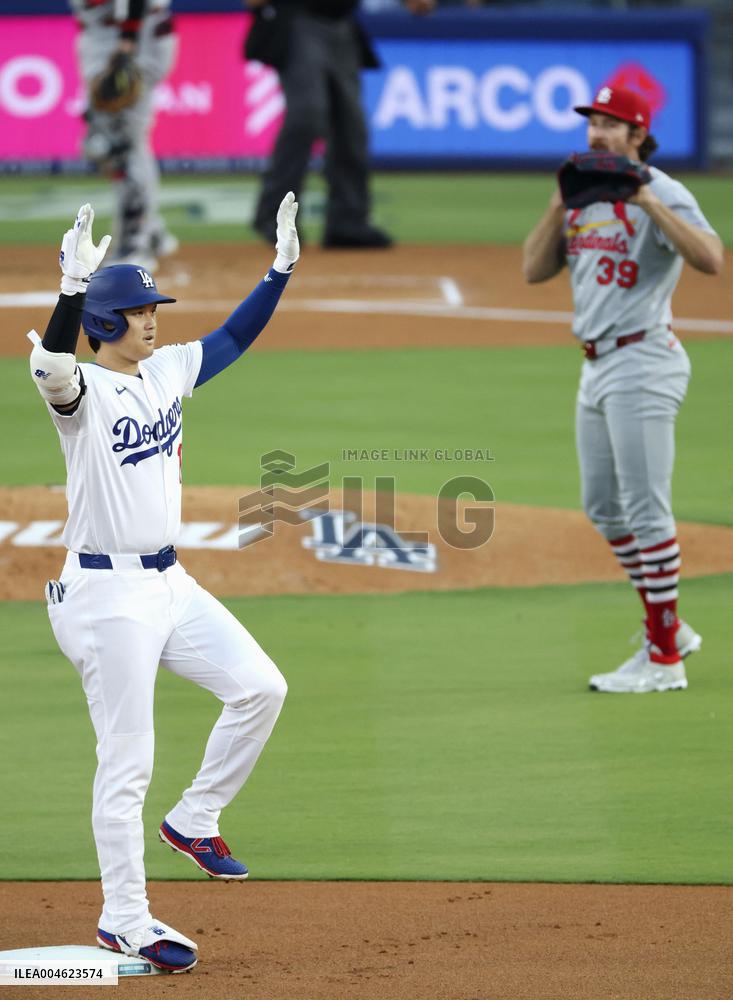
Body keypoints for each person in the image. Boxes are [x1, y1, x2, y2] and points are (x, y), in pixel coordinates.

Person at [28, 195, 299, 972]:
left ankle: (194, 818)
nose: (151, 320)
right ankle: (124, 918)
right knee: (127, 762)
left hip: (169, 584)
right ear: (104, 322)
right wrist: (70, 290)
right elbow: (49, 365)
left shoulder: (167, 370)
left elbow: (232, 338)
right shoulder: (80, 393)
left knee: (261, 689)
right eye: (138, 311)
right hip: (105, 599)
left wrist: (278, 271)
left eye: (153, 309)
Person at [522, 85, 723, 694]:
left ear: (638, 135)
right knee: (604, 509)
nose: (597, 133)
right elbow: (533, 270)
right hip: (596, 367)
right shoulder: (583, 195)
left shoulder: (664, 190)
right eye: (593, 123)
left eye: (611, 124)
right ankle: (670, 627)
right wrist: (558, 205)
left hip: (644, 362)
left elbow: (711, 258)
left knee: (645, 511)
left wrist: (646, 200)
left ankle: (664, 660)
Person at [244, 0, 434, 248]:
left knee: (351, 125)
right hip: (298, 19)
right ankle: (275, 215)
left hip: (342, 22)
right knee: (307, 115)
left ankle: (347, 221)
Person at [69, 0, 178, 272]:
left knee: (120, 145)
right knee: (111, 143)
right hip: (103, 33)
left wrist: (128, 39)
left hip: (130, 35)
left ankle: (136, 242)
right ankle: (149, 228)